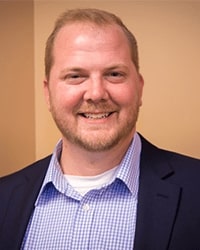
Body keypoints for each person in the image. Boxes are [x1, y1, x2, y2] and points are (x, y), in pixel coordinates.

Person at [0, 8, 200, 250]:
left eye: (114, 74)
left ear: (139, 88)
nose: (96, 93)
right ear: (48, 93)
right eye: (75, 76)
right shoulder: (4, 197)